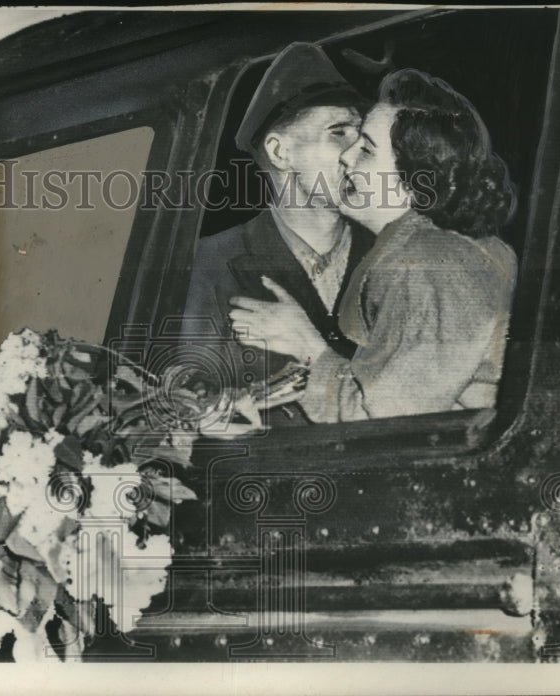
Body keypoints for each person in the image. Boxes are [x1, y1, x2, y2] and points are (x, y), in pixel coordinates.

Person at [229, 68, 518, 422]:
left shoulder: (425, 266)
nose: (347, 157)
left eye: (365, 149)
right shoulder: (446, 251)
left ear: (413, 181)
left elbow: (381, 423)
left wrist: (307, 346)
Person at [181, 43, 379, 404]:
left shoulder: (394, 256)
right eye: (338, 132)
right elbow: (184, 411)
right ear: (279, 152)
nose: (356, 152)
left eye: (361, 134)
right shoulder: (206, 266)